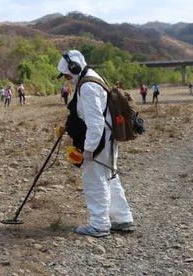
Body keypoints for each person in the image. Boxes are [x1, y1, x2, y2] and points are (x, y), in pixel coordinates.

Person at [57, 49, 133, 237]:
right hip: (108, 137)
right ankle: (122, 218)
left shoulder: (88, 86)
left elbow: (96, 123)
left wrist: (88, 150)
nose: (66, 78)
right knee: (109, 176)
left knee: (94, 179)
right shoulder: (92, 77)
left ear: (74, 68)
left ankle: (99, 225)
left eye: (67, 74)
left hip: (100, 139)